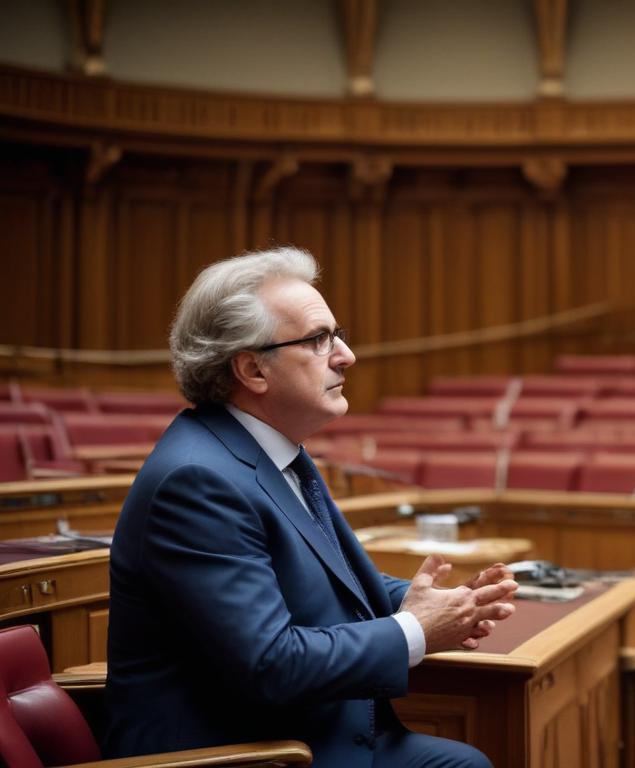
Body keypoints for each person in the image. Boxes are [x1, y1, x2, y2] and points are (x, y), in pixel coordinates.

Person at [105, 247, 516, 767]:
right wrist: (416, 630)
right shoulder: (198, 482)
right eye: (320, 340)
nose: (346, 355)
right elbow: (269, 664)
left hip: (301, 730)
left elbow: (328, 587)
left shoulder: (272, 453)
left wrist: (450, 604)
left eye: (337, 335)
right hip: (239, 751)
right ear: (253, 369)